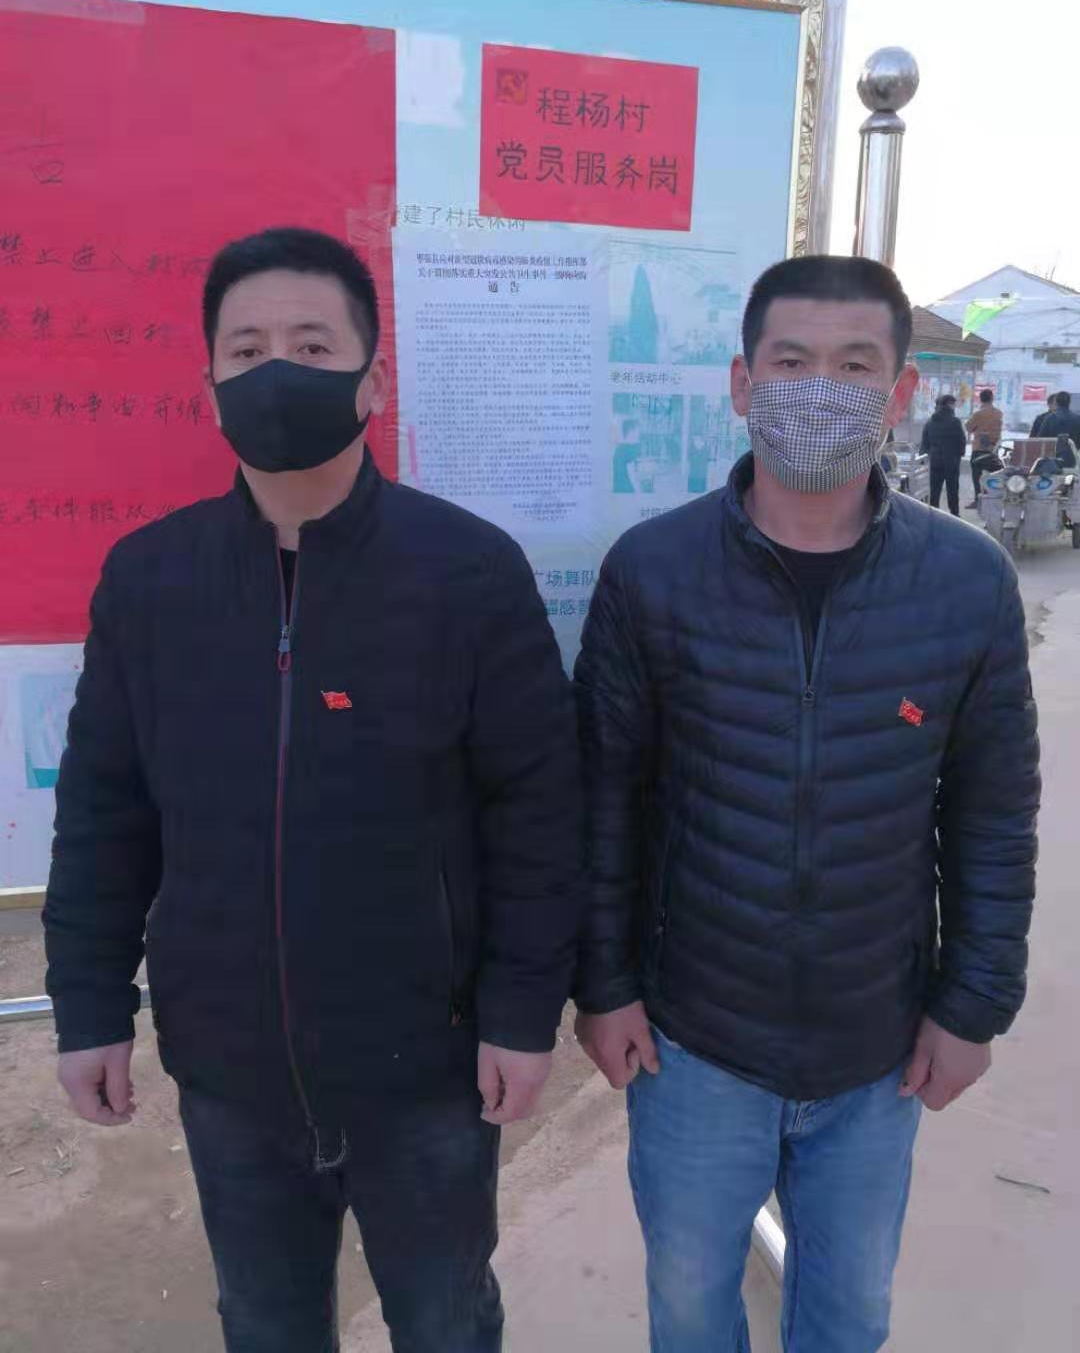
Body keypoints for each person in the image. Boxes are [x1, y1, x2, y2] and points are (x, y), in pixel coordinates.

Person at [44, 227, 582, 1353]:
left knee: (445, 1319)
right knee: (266, 1323)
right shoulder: (150, 581)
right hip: (229, 1073)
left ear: (371, 380)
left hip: (426, 1070)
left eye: (310, 344)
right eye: (246, 350)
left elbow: (537, 815)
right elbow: (103, 814)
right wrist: (90, 1009)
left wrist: (521, 1015)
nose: (276, 369)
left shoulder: (468, 573)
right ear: (209, 388)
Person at [574, 254, 1038, 1353]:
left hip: (877, 1044)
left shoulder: (967, 581)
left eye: (853, 365)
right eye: (790, 363)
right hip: (693, 1041)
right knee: (691, 1308)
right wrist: (604, 987)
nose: (819, 388)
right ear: (743, 384)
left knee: (849, 1314)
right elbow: (604, 802)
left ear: (900, 391)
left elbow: (992, 813)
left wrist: (973, 1006)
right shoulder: (653, 571)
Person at [920, 392, 967, 514]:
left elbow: (925, 443)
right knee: (953, 489)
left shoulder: (930, 422)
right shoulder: (955, 422)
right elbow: (962, 441)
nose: (954, 407)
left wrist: (926, 458)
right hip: (951, 461)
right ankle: (954, 514)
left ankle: (933, 514)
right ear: (949, 404)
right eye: (953, 404)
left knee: (934, 490)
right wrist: (959, 455)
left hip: (935, 461)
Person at [966, 386, 1004, 505]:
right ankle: (994, 497)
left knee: (976, 476)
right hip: (992, 449)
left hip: (978, 449)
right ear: (992, 399)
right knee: (996, 474)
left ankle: (978, 499)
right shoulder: (998, 413)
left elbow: (968, 427)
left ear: (980, 399)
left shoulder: (978, 414)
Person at [1037, 388, 1080, 468]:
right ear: (1069, 402)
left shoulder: (1050, 418)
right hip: (1071, 459)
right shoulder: (1078, 418)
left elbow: (1040, 439)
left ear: (1056, 402)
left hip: (1051, 459)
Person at [613, 417, 643, 493]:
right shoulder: (629, 450)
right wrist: (639, 492)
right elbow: (632, 475)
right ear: (631, 431)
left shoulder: (619, 448)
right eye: (637, 431)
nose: (639, 434)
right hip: (628, 490)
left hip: (618, 489)